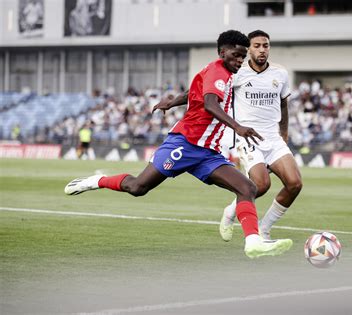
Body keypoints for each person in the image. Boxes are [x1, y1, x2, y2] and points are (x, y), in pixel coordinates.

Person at [64, 30, 293, 259]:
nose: (239, 61)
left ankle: (253, 243)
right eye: (235, 55)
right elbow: (210, 104)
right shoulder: (218, 72)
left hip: (207, 153)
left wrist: (172, 102)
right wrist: (238, 127)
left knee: (248, 188)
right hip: (185, 144)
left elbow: (194, 92)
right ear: (222, 52)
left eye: (243, 57)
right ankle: (95, 181)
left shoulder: (227, 72)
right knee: (137, 187)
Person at [219, 30, 303, 241]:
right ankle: (231, 211)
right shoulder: (237, 74)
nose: (262, 50)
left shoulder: (280, 74)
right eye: (257, 46)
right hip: (247, 138)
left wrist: (283, 133)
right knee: (261, 184)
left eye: (265, 45)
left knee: (294, 184)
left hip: (273, 138)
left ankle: (264, 229)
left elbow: (283, 104)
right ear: (249, 50)